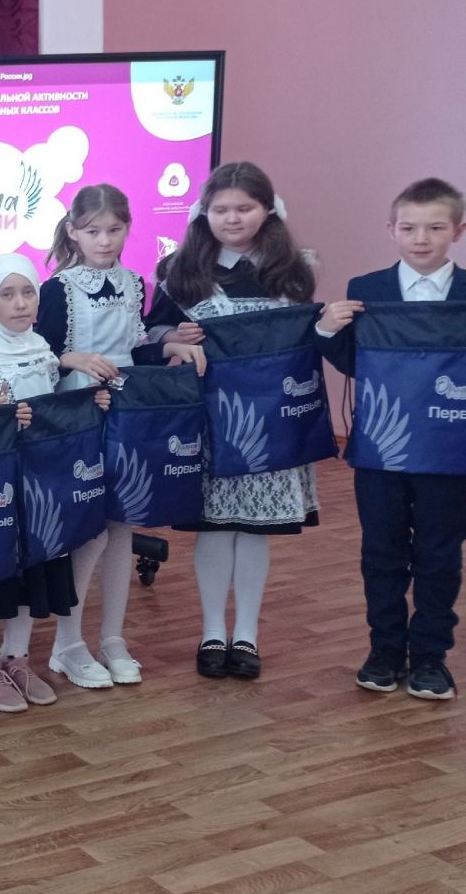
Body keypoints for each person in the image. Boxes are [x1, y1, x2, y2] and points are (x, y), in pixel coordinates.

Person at [145, 161, 319, 680]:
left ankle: (247, 633)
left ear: (268, 210)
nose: (232, 218)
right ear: (204, 212)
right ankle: (211, 631)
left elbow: (301, 343)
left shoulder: (291, 271)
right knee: (215, 528)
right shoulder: (179, 271)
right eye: (221, 209)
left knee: (253, 530)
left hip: (270, 424)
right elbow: (150, 333)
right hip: (208, 422)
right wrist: (171, 339)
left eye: (245, 208)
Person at [37, 185, 205, 688]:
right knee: (88, 531)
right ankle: (67, 642)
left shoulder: (134, 283)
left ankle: (112, 637)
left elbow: (134, 350)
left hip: (128, 414)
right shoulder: (57, 289)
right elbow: (38, 353)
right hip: (81, 415)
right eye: (93, 231)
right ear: (73, 232)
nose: (105, 240)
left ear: (128, 228)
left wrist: (169, 346)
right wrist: (73, 359)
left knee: (123, 525)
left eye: (114, 229)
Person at [315, 177, 466, 700]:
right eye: (409, 228)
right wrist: (327, 330)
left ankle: (429, 657)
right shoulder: (369, 288)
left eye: (435, 228)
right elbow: (357, 364)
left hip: (450, 452)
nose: (421, 238)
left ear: (458, 231)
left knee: (439, 554)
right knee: (381, 551)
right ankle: (383, 650)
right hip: (382, 448)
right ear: (391, 230)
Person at [0, 253, 101, 713]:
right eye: (7, 294)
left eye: (28, 292)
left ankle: (16, 657)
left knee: (33, 569)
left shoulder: (41, 349)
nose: (20, 303)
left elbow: (57, 410)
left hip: (39, 483)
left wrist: (90, 405)